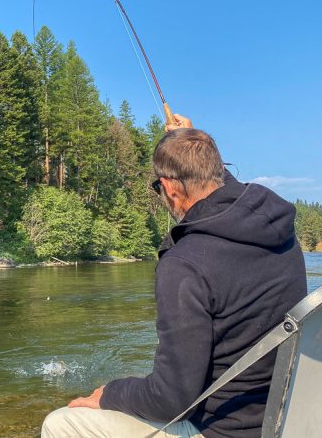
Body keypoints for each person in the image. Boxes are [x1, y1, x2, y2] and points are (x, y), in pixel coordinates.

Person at [41, 115, 307, 438]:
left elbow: (171, 400)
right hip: (288, 418)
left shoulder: (184, 265)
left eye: (158, 187)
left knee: (59, 424)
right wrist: (190, 144)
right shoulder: (281, 234)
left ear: (169, 188)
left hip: (223, 432)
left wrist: (110, 393)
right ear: (215, 169)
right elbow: (219, 185)